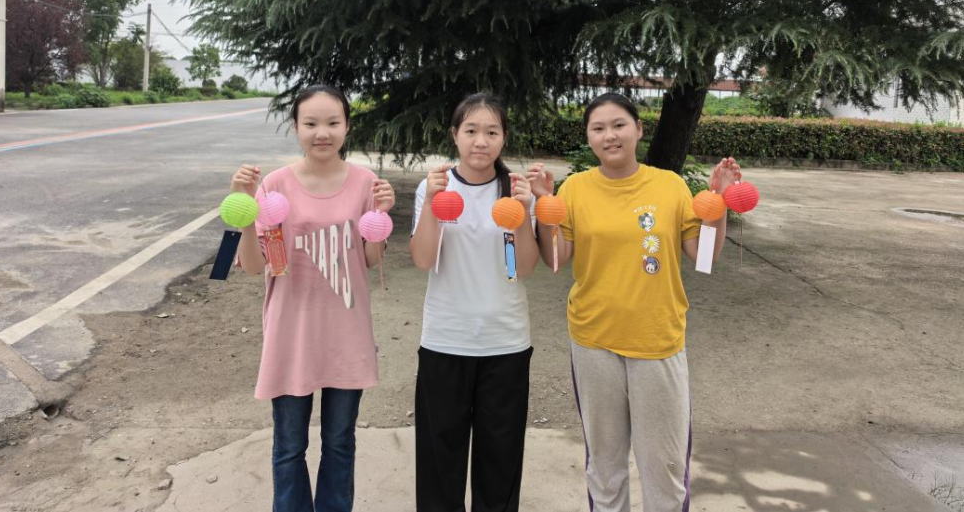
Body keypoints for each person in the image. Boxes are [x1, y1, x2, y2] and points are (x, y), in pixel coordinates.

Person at [528, 92, 740, 512]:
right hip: (594, 340)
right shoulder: (576, 189)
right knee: (605, 465)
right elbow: (556, 259)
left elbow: (703, 257)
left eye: (619, 125)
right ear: (589, 137)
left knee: (665, 466)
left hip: (657, 339)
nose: (610, 135)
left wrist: (718, 205)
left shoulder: (669, 185)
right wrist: (544, 206)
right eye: (598, 128)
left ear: (639, 130)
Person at [230, 85, 396, 512]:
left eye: (333, 122)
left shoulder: (366, 183)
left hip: (347, 334)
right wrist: (244, 210)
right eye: (311, 123)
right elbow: (253, 266)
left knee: (339, 442)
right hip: (292, 333)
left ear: (347, 126)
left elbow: (369, 259)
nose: (322, 133)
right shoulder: (274, 184)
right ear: (295, 127)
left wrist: (381, 215)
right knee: (289, 445)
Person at [409, 93, 539, 512]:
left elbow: (523, 268)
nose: (480, 141)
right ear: (455, 135)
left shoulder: (515, 191)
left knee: (500, 461)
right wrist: (432, 205)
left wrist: (524, 213)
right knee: (439, 462)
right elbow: (423, 260)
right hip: (445, 341)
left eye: (491, 132)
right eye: (471, 130)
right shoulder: (435, 187)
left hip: (505, 344)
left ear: (504, 138)